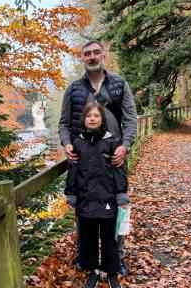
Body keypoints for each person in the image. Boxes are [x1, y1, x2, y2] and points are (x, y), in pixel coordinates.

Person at [59, 40, 137, 276]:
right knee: (85, 213)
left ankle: (116, 258)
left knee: (118, 210)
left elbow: (131, 119)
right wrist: (67, 143)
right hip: (82, 163)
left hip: (114, 160)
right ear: (82, 58)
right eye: (87, 54)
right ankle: (88, 260)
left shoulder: (119, 85)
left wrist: (125, 145)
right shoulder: (73, 89)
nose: (92, 56)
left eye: (95, 52)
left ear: (103, 55)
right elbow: (63, 123)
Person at [65, 102, 129, 288]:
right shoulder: (77, 143)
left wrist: (121, 193)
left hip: (107, 197)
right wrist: (71, 194)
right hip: (85, 199)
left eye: (96, 116)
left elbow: (119, 170)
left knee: (109, 238)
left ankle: (111, 272)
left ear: (102, 120)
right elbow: (73, 170)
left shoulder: (111, 141)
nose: (92, 118)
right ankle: (92, 271)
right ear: (84, 120)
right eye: (89, 116)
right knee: (88, 237)